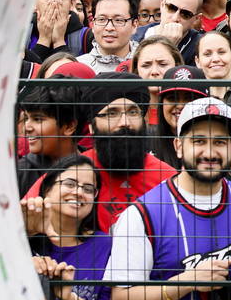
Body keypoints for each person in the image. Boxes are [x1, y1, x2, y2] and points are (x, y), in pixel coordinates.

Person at [104, 97, 231, 300]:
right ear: (179, 146)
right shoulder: (142, 214)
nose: (209, 153)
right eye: (199, 141)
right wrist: (186, 282)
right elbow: (120, 298)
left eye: (219, 142)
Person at [23, 72, 174, 232]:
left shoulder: (166, 178)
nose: (125, 123)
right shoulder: (68, 173)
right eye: (111, 113)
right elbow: (20, 225)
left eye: (133, 112)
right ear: (91, 127)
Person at [24, 155, 112, 300]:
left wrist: (70, 299)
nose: (78, 192)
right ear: (47, 189)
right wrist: (26, 234)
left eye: (88, 189)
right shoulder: (22, 234)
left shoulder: (105, 245)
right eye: (70, 184)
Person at [76, 0, 140, 73]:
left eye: (118, 20)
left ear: (134, 25)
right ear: (93, 24)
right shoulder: (78, 68)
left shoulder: (149, 65)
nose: (109, 28)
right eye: (102, 19)